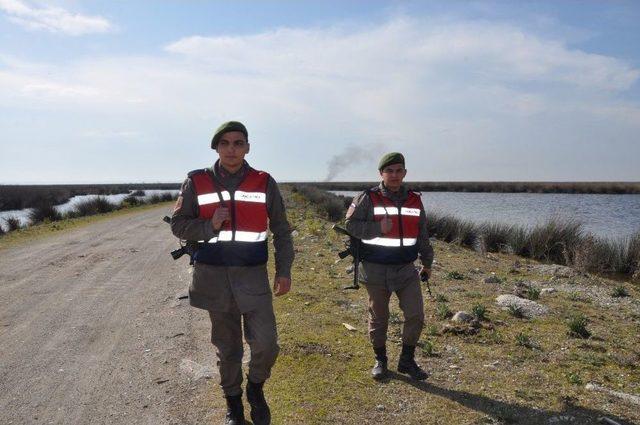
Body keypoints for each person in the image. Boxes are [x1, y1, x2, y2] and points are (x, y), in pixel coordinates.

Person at [171, 121, 294, 425]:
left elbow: (281, 229)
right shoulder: (196, 182)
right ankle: (234, 405)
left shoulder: (264, 182)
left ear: (247, 148)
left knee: (267, 344)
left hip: (252, 277)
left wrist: (284, 270)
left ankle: (255, 389)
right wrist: (209, 226)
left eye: (238, 143)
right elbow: (178, 225)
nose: (231, 149)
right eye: (224, 143)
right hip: (213, 278)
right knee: (228, 349)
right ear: (216, 148)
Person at [345, 152, 434, 381]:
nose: (394, 175)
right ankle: (381, 360)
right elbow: (350, 225)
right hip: (375, 269)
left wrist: (427, 262)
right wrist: (377, 229)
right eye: (389, 171)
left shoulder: (415, 199)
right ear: (381, 174)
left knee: (416, 315)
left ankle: (406, 360)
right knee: (379, 318)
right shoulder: (367, 198)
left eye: (398, 170)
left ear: (405, 173)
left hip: (406, 268)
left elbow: (422, 233)